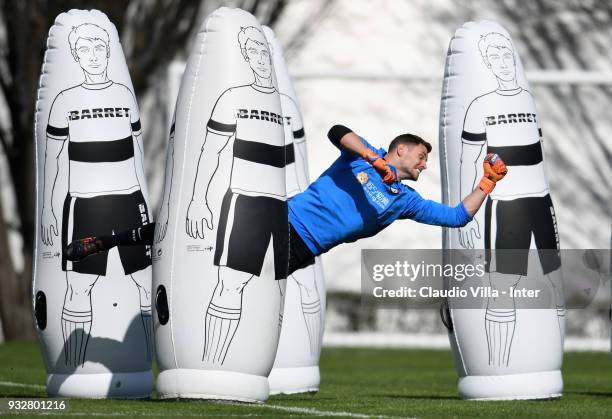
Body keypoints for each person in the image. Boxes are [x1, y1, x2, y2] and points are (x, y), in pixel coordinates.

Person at [41, 22, 152, 366]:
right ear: (75, 55)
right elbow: (55, 160)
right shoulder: (64, 101)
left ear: (108, 51)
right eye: (85, 50)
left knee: (145, 285)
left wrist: (143, 205)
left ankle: (142, 363)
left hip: (130, 199)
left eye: (99, 48)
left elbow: (136, 151)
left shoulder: (122, 94)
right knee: (79, 287)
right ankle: (73, 371)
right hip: (85, 205)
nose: (93, 56)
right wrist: (50, 210)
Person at [459, 32, 563, 366]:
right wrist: (467, 214)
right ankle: (498, 370)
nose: (504, 62)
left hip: (541, 204)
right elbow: (468, 160)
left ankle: (551, 365)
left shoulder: (528, 102)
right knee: (503, 289)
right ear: (488, 63)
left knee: (557, 284)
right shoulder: (480, 106)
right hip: (506, 206)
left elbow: (540, 155)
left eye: (508, 54)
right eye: (496, 56)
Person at [287, 124, 507, 275]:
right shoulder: (363, 155)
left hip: (305, 248)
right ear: (401, 150)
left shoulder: (405, 200)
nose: (424, 165)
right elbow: (337, 131)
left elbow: (457, 216)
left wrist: (487, 182)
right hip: (282, 220)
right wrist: (373, 159)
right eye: (421, 157)